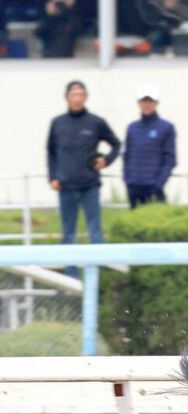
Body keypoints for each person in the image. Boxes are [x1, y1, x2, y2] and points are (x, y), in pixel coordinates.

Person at [46, 80, 121, 279]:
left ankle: (97, 273)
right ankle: (71, 275)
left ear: (85, 97)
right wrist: (52, 176)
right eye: (74, 95)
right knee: (68, 232)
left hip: (90, 184)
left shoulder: (95, 122)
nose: (77, 98)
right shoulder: (57, 123)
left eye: (81, 94)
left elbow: (116, 144)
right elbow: (51, 152)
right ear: (67, 97)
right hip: (66, 185)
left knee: (94, 230)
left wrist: (106, 160)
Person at [122, 84, 176, 209]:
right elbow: (127, 155)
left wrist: (159, 183)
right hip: (134, 185)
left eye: (150, 101)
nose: (147, 104)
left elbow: (170, 158)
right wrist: (128, 180)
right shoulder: (132, 127)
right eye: (144, 101)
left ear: (156, 103)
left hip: (154, 186)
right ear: (139, 103)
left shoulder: (166, 127)